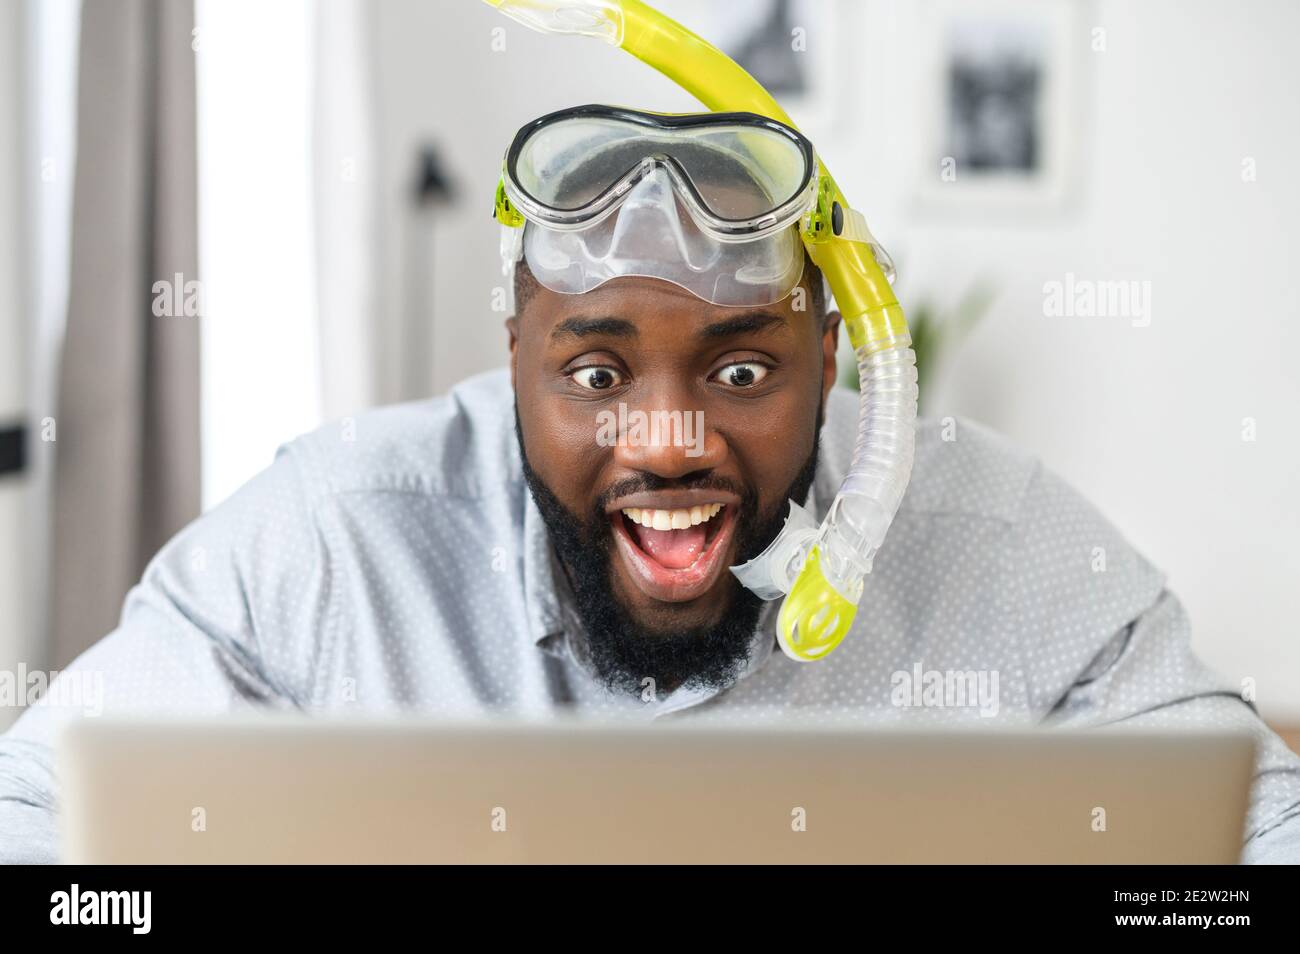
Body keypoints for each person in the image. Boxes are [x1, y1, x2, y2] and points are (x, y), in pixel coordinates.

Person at [2, 105, 1297, 864]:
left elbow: (1254, 832)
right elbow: (40, 817)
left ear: (838, 359)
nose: (670, 439)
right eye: (598, 370)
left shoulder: (999, 542)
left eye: (742, 370)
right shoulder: (337, 540)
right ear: (511, 357)